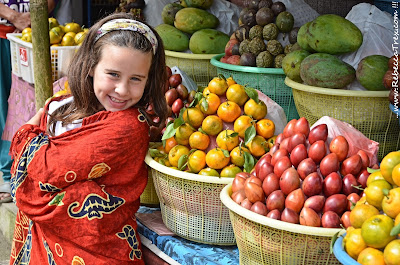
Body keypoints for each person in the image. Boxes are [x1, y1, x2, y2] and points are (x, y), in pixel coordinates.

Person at [9, 12, 168, 264]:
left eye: (136, 79)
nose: (122, 90)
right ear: (91, 66)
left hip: (96, 251)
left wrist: (26, 132)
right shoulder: (65, 105)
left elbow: (45, 168)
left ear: (148, 80)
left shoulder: (127, 127)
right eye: (113, 74)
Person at [0, 1, 58, 203]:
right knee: (2, 107)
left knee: (28, 106)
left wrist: (33, 18)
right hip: (2, 34)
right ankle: (8, 173)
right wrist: (14, 17)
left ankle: (28, 173)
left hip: (38, 34)